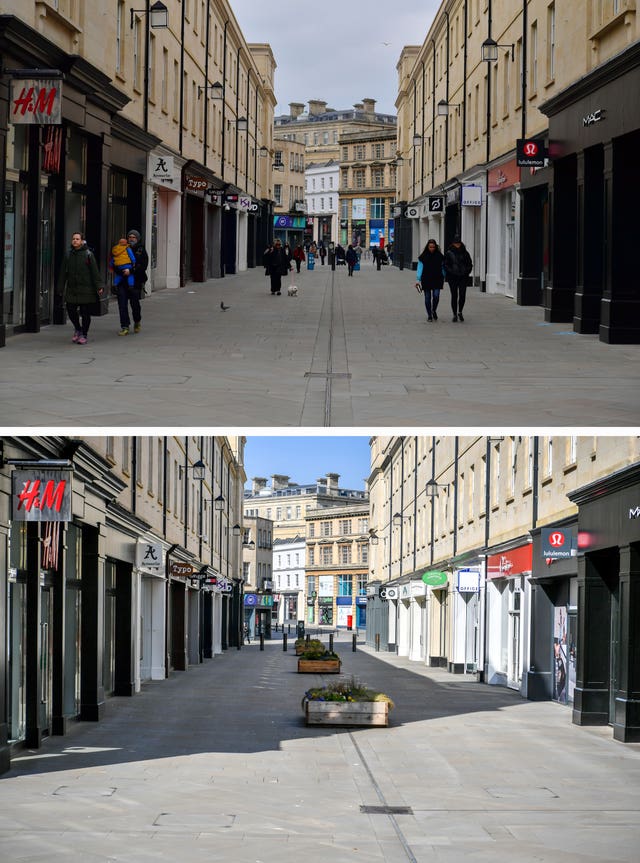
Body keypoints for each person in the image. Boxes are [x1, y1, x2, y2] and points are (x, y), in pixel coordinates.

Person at [58, 231, 104, 345]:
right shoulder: (68, 255)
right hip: (72, 289)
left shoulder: (88, 254)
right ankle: (78, 328)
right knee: (71, 310)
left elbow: (95, 272)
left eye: (77, 239)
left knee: (85, 313)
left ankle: (84, 334)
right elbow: (63, 273)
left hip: (86, 289)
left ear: (82, 241)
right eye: (73, 239)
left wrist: (99, 286)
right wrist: (60, 287)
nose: (75, 240)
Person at [116, 229, 148, 336]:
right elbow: (116, 262)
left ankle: (137, 321)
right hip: (122, 281)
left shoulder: (141, 249)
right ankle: (125, 326)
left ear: (137, 239)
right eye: (130, 237)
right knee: (122, 304)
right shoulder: (122, 248)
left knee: (135, 304)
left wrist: (131, 271)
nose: (131, 239)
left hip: (136, 282)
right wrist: (121, 270)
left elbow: (143, 266)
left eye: (134, 237)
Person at [444, 234, 473, 322]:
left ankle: (460, 311)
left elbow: (469, 264)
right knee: (454, 295)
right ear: (453, 244)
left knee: (462, 295)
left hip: (463, 277)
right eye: (455, 243)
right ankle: (454, 314)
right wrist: (451, 271)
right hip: (452, 277)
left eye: (458, 243)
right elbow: (445, 264)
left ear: (461, 243)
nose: (457, 245)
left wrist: (466, 272)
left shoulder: (465, 253)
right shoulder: (449, 253)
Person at [415, 238, 444, 321]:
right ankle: (429, 315)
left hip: (437, 278)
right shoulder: (423, 257)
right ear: (427, 247)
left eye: (433, 247)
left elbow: (443, 268)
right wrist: (418, 280)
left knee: (436, 296)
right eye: (430, 247)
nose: (432, 249)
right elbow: (420, 268)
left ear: (436, 247)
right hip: (426, 279)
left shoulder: (440, 256)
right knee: (427, 297)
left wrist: (444, 275)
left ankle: (434, 310)